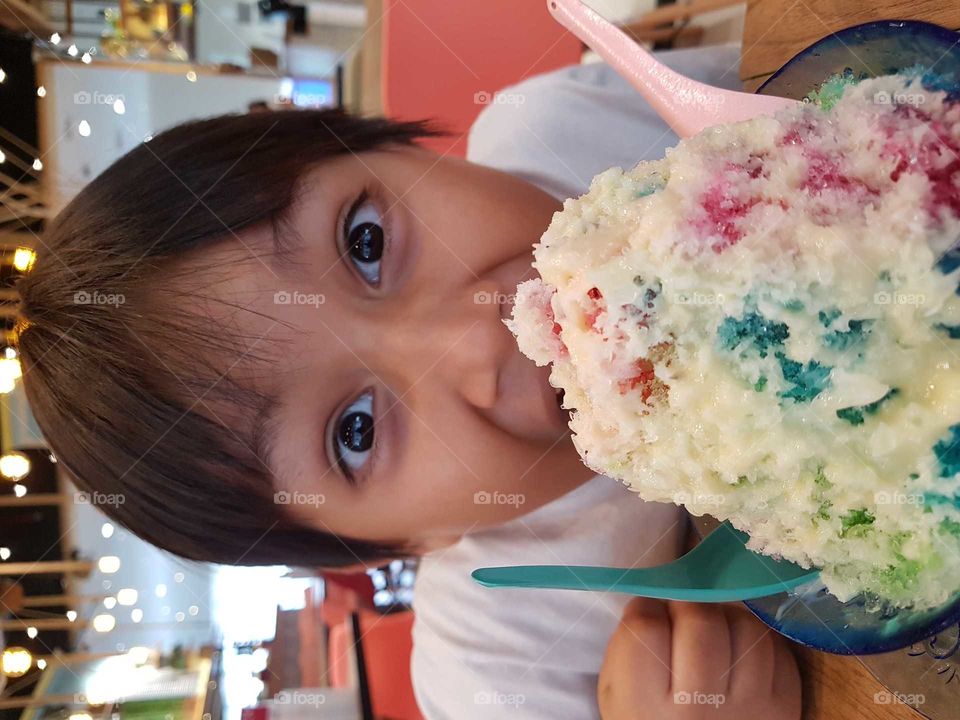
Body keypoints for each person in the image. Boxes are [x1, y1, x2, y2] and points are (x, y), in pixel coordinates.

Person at [16, 41, 800, 719]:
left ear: (399, 147)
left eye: (365, 242)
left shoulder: (570, 126)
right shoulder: (497, 668)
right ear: (391, 545)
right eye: (354, 431)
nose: (477, 338)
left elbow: (837, 67)